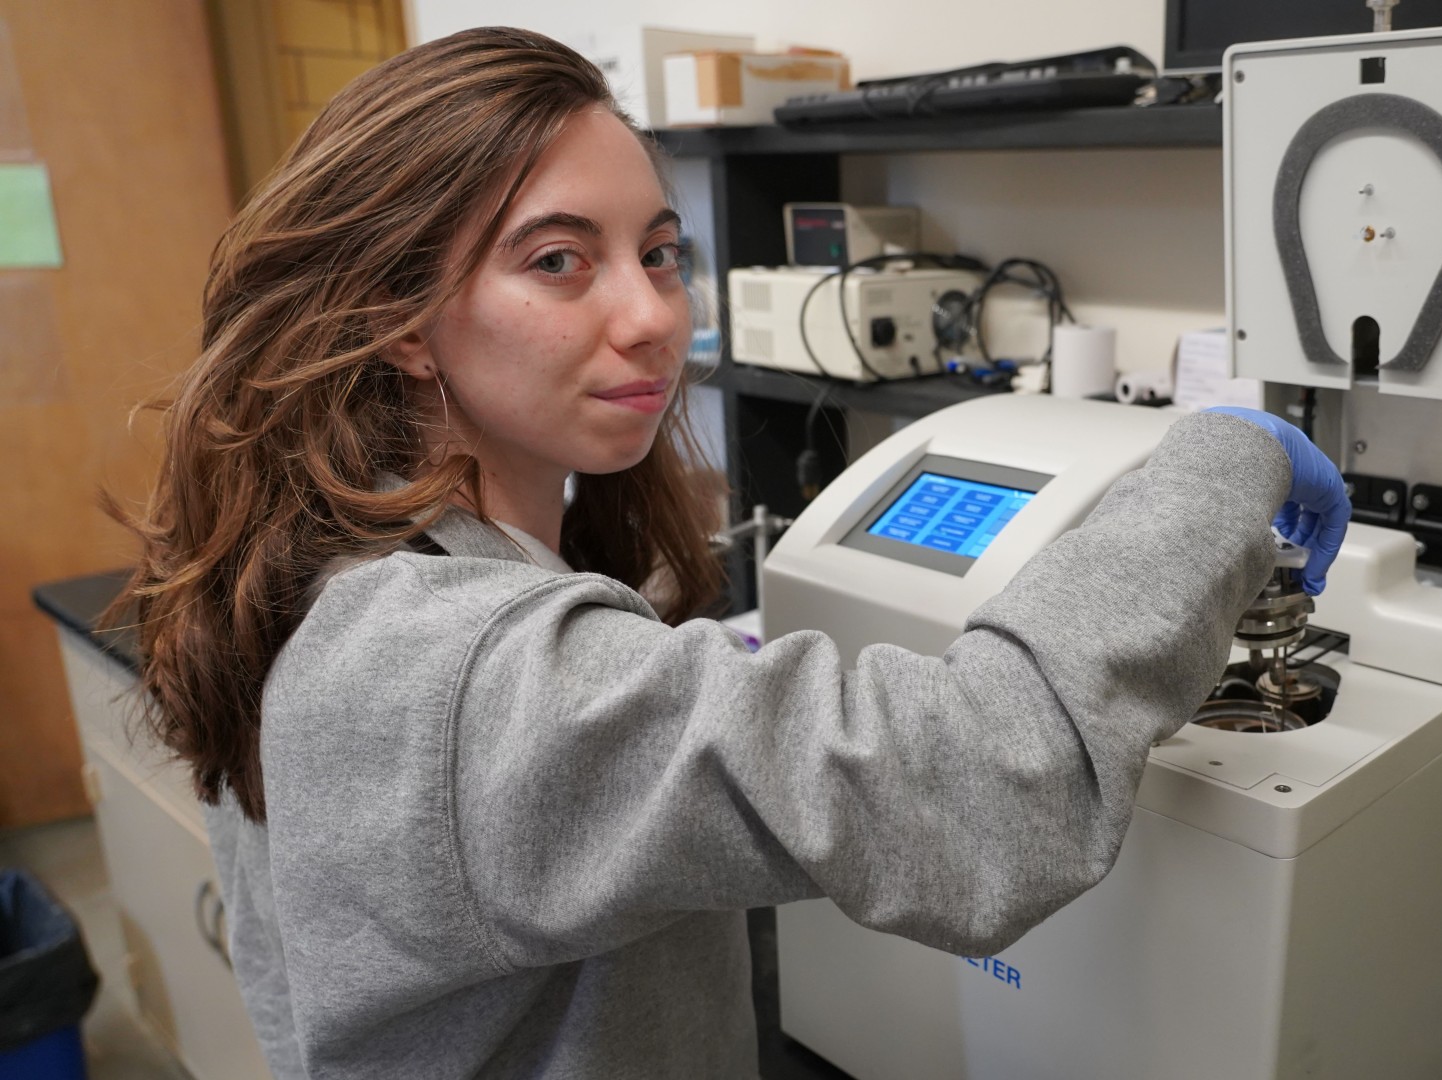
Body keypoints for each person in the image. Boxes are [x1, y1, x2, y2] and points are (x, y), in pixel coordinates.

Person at [109, 27, 1351, 1079]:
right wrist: (1217, 460)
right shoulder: (455, 671)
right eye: (557, 261)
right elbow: (992, 789)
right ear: (398, 318)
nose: (651, 315)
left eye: (658, 250)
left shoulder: (311, 569)